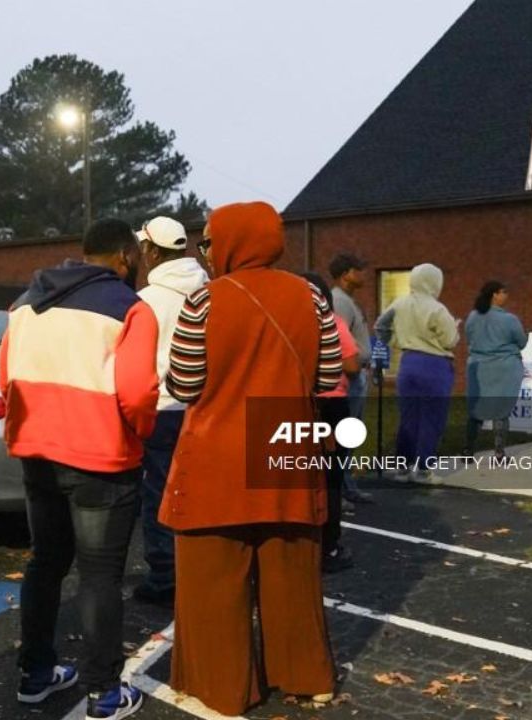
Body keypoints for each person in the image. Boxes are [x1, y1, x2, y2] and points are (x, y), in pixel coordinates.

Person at [163, 201, 340, 716]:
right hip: (285, 436)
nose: (207, 252)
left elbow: (185, 384)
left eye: (210, 242)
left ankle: (225, 688)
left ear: (233, 242)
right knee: (293, 573)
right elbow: (328, 377)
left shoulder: (204, 301)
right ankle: (308, 678)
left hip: (219, 444)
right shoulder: (309, 295)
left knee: (213, 580)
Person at [0, 218, 159, 720]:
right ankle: (104, 692)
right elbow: (137, 393)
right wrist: (140, 433)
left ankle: (36, 674)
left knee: (45, 563)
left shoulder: (26, 303)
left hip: (36, 453)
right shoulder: (132, 309)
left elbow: (8, 380)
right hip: (102, 460)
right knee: (99, 577)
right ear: (126, 256)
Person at [133, 215, 209, 607]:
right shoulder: (208, 290)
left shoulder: (147, 300)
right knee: (197, 491)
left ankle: (164, 575)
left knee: (158, 492)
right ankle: (198, 567)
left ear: (152, 250)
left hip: (162, 407)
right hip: (202, 407)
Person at [303, 272, 362, 574]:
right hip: (332, 404)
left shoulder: (290, 324)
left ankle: (302, 545)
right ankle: (330, 546)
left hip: (296, 406)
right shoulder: (334, 322)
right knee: (331, 478)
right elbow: (352, 364)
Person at [389, 263, 460, 482]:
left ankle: (401, 467)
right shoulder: (437, 309)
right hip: (434, 365)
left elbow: (383, 327)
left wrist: (397, 341)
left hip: (407, 362)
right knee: (432, 418)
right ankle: (422, 470)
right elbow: (450, 340)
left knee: (408, 417)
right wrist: (455, 328)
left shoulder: (398, 304)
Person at [329, 252, 375, 505]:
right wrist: (353, 369)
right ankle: (340, 490)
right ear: (346, 273)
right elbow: (338, 340)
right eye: (359, 269)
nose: (364, 274)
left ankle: (346, 486)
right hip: (350, 377)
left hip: (359, 374)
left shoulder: (348, 300)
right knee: (344, 435)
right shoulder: (341, 302)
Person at [464, 281, 526, 459]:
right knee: (501, 410)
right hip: (504, 369)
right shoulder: (509, 319)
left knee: (475, 410)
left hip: (478, 368)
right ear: (494, 295)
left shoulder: (472, 317)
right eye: (503, 292)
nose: (506, 295)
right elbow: (521, 342)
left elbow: (469, 339)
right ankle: (499, 452)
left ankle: (468, 449)